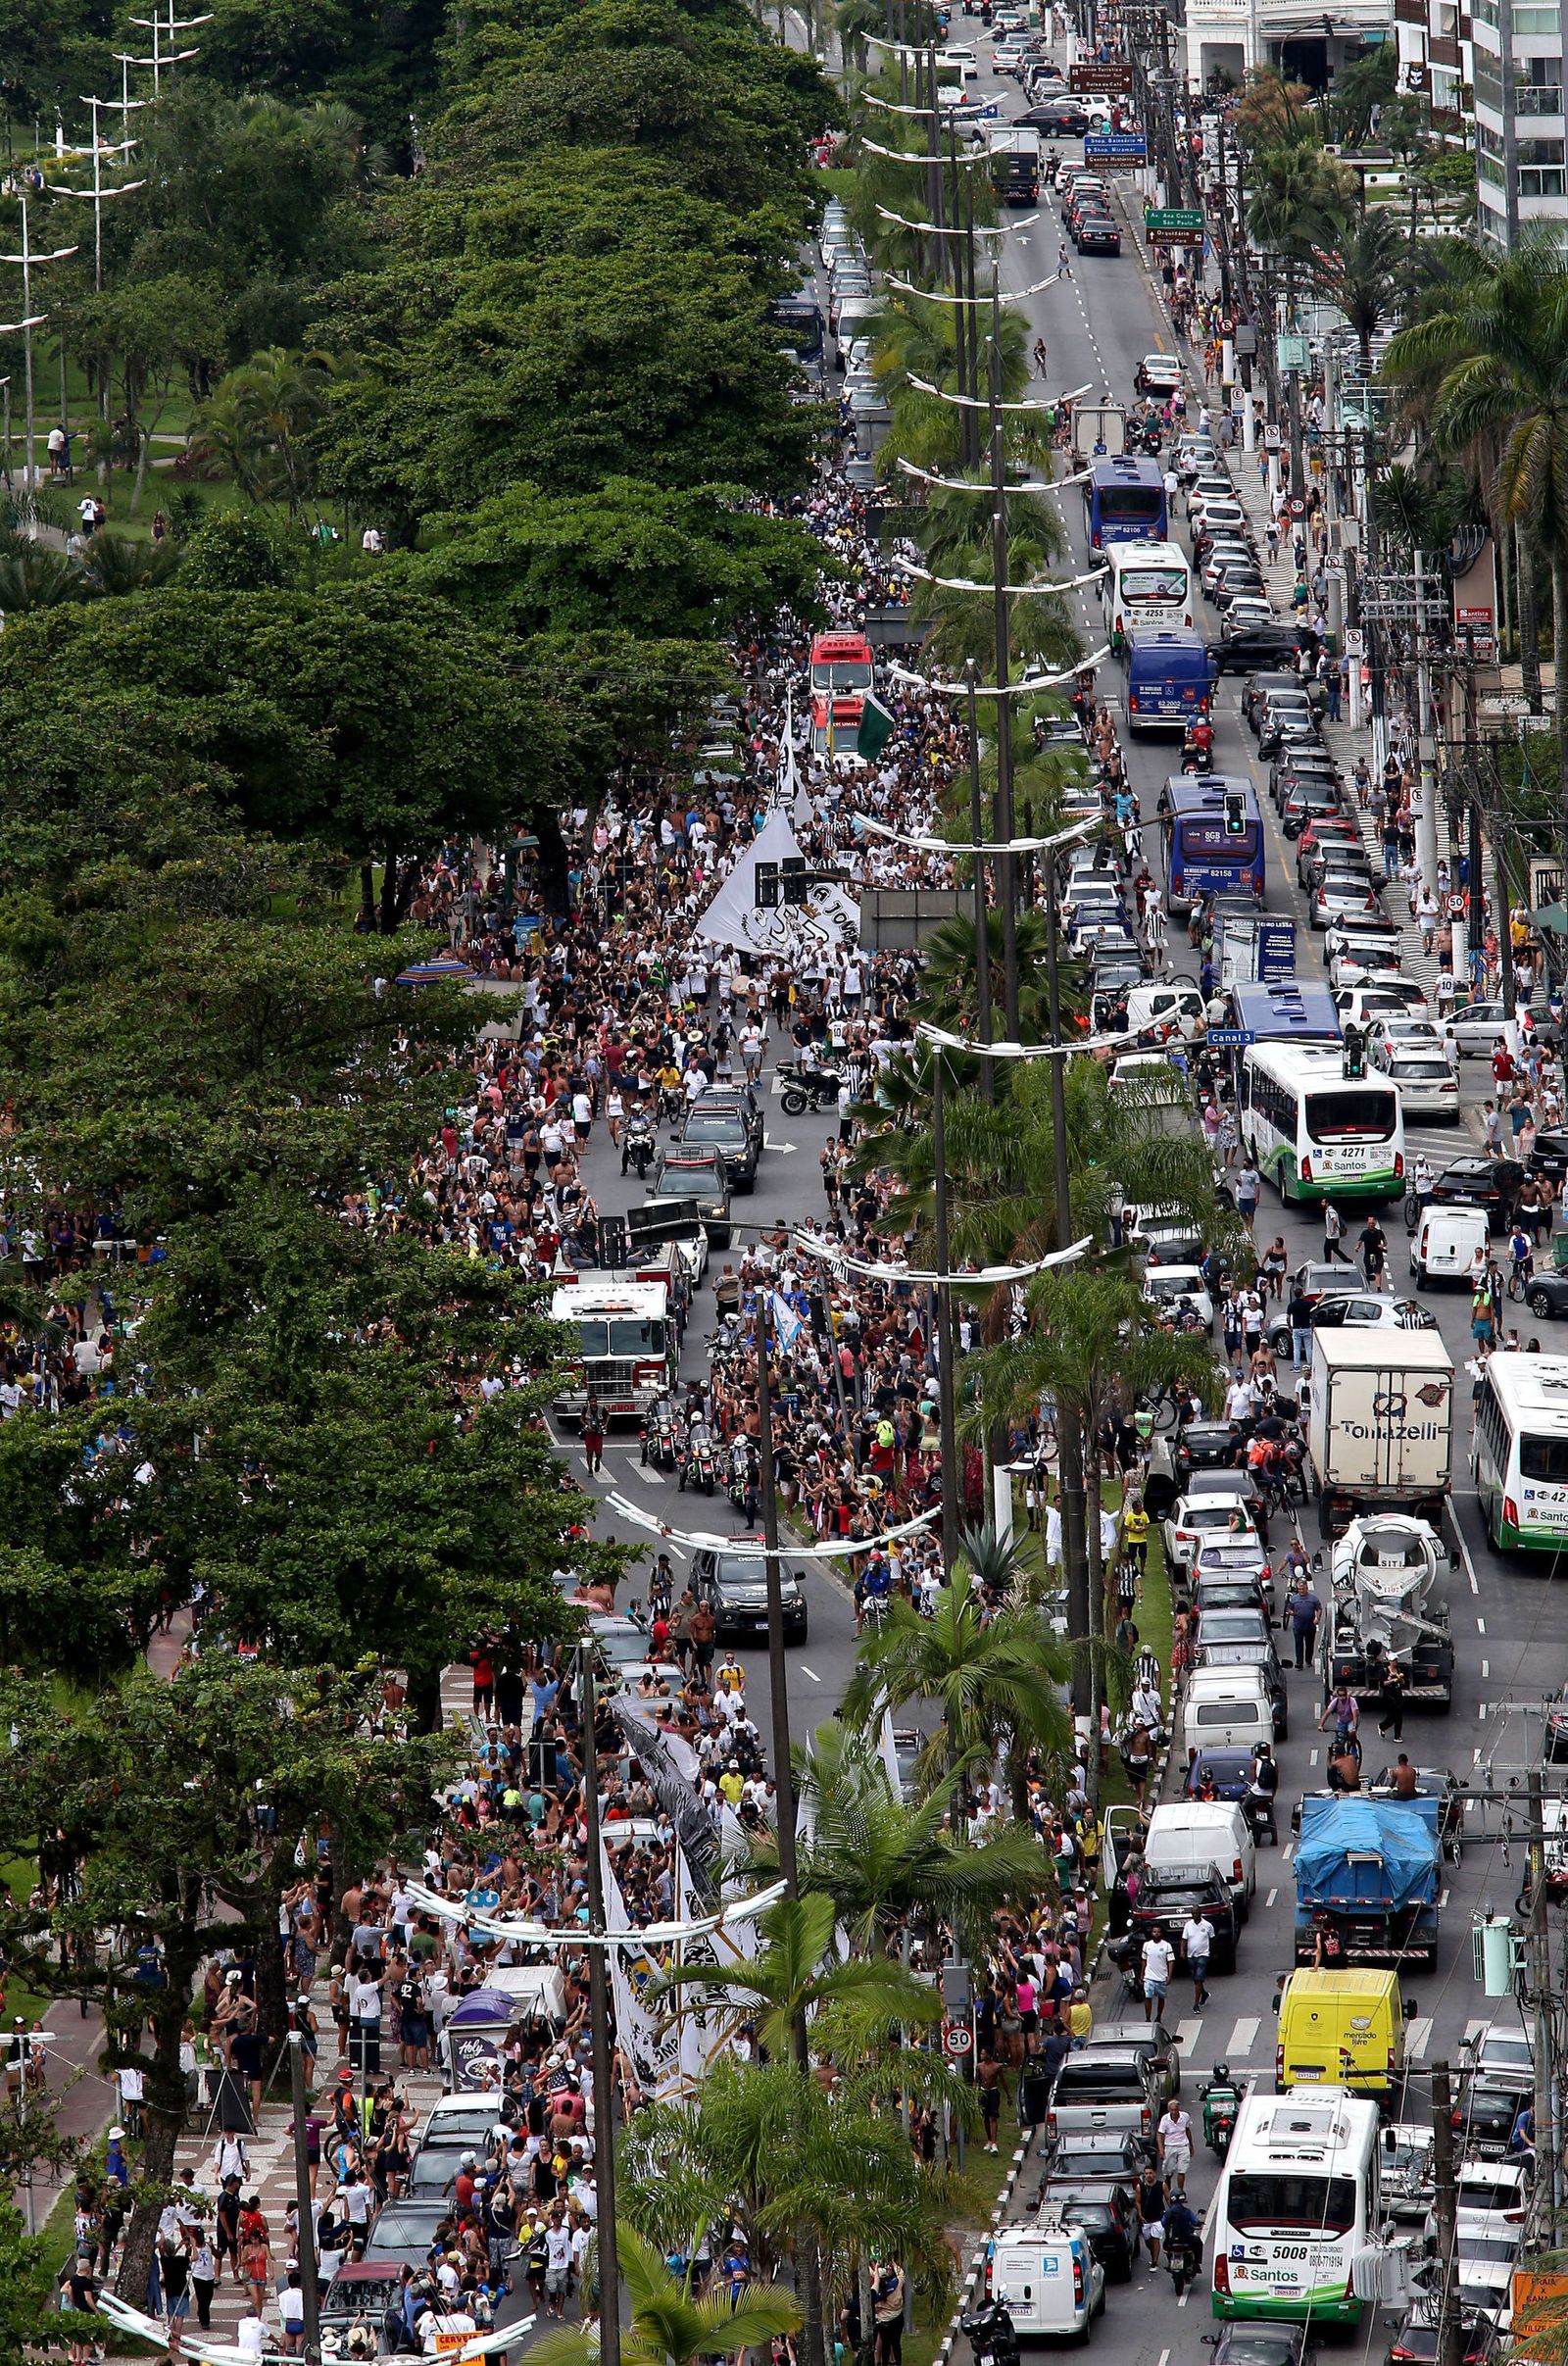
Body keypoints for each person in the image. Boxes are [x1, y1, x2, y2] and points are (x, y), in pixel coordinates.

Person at [1156, 2097, 1194, 2195]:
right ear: (1169, 2110)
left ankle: (1179, 2192)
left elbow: (1187, 2130)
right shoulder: (1165, 2119)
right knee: (1168, 2172)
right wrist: (1161, 2150)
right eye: (1172, 2110)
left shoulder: (1185, 2116)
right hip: (1169, 2147)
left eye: (1176, 2110)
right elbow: (1160, 2135)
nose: (1174, 2112)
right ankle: (1168, 2191)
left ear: (1178, 2109)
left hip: (1183, 2146)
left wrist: (1191, 2145)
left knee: (1182, 2170)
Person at [1181, 1905, 1214, 2010]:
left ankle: (1196, 2005)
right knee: (1196, 1980)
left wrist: (1211, 1952)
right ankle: (1204, 1994)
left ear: (1200, 1913)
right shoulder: (1188, 1925)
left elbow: (1212, 1939)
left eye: (1196, 1913)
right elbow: (1184, 1939)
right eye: (1193, 1913)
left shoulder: (1207, 1925)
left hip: (1203, 1955)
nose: (1194, 1915)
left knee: (1198, 1978)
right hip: (1191, 1955)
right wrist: (1182, 1951)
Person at [1141, 1930, 1174, 2024]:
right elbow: (1144, 1960)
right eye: (1154, 1932)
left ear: (1161, 1933)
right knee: (1148, 1996)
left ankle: (1159, 2016)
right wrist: (1142, 1973)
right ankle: (1147, 2018)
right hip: (1149, 1976)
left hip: (1161, 1977)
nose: (1156, 1934)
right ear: (1151, 1933)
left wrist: (1169, 1975)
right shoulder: (1147, 1945)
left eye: (1158, 1932)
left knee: (1161, 1997)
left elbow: (1170, 1961)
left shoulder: (1166, 1946)